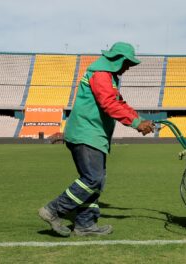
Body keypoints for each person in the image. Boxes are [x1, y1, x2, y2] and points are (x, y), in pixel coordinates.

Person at [38, 42, 154, 237]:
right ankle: (53, 210)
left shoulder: (108, 76)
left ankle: (85, 224)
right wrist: (135, 123)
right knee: (92, 179)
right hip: (86, 133)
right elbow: (108, 104)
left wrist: (140, 120)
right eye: (127, 64)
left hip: (93, 134)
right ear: (118, 59)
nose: (127, 68)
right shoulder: (100, 74)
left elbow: (119, 103)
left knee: (96, 181)